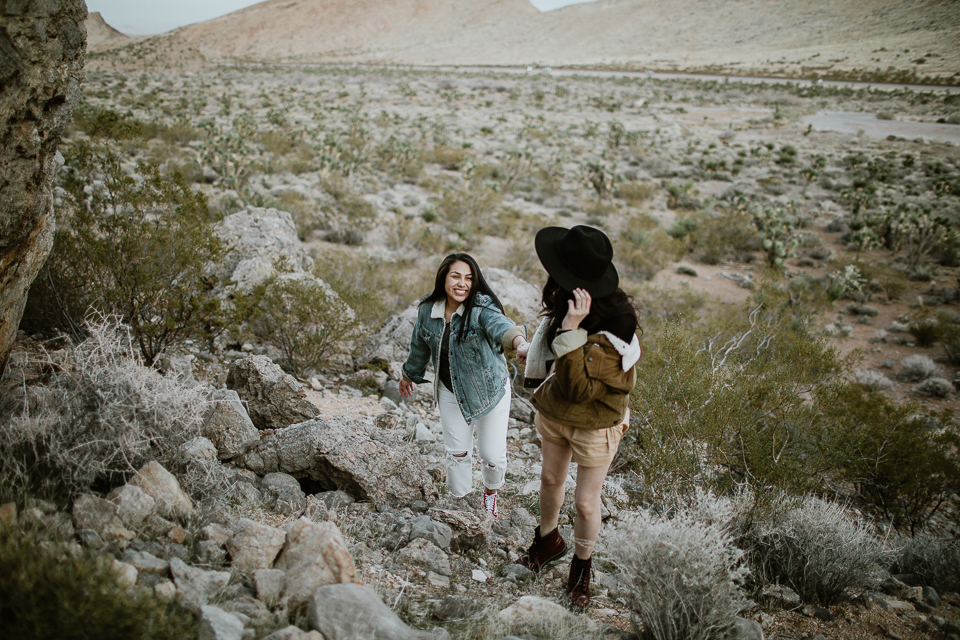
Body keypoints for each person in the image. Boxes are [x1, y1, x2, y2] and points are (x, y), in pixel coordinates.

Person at [515, 225, 641, 608]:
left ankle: (581, 570)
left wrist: (570, 331)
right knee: (550, 478)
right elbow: (560, 370)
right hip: (555, 413)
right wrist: (542, 351)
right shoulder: (568, 299)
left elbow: (580, 389)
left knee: (587, 504)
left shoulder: (616, 326)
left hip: (596, 424)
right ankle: (548, 540)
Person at [400, 253, 528, 518]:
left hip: (489, 389)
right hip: (450, 389)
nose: (462, 283)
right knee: (457, 453)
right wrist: (408, 375)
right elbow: (419, 347)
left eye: (469, 278)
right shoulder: (428, 309)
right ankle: (462, 506)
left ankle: (490, 495)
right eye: (456, 276)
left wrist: (520, 343)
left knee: (492, 456)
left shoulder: (481, 308)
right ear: (444, 278)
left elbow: (503, 327)